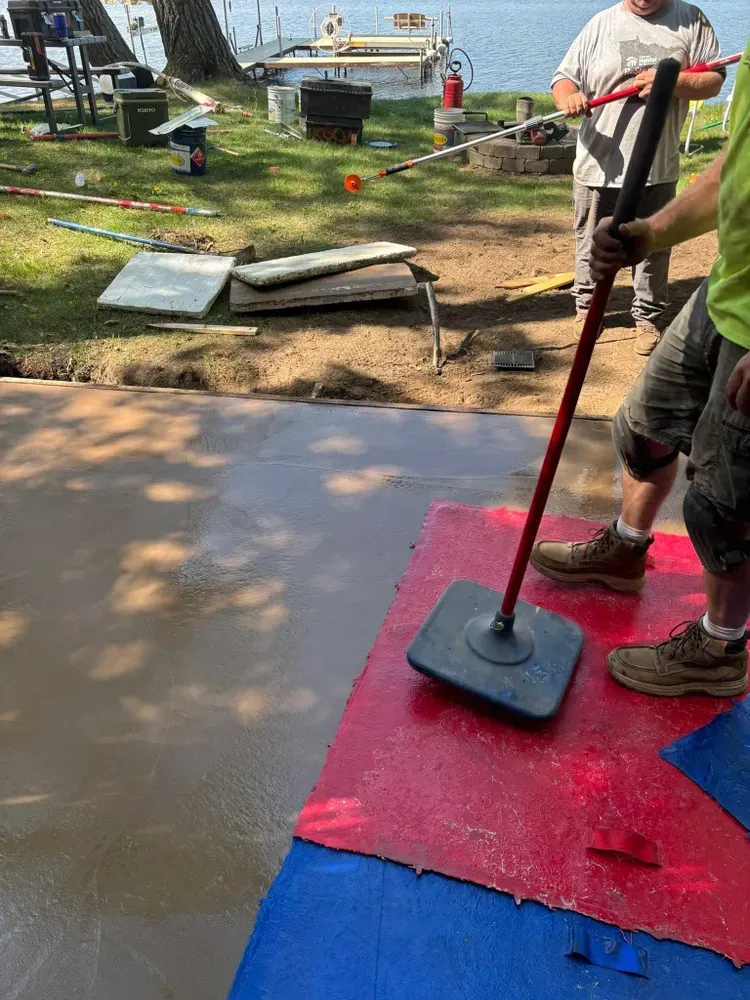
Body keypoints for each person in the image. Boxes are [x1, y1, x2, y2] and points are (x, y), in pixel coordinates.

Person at [531, 40, 750, 698]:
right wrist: (649, 233)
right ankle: (627, 549)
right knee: (644, 424)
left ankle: (722, 648)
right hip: (728, 290)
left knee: (726, 499)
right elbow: (732, 172)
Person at [551, 0, 725, 356]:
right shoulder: (601, 23)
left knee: (653, 247)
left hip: (656, 167)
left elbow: (713, 81)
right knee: (591, 242)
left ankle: (647, 317)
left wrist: (671, 83)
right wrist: (570, 97)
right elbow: (563, 78)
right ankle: (587, 309)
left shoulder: (691, 20)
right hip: (598, 164)